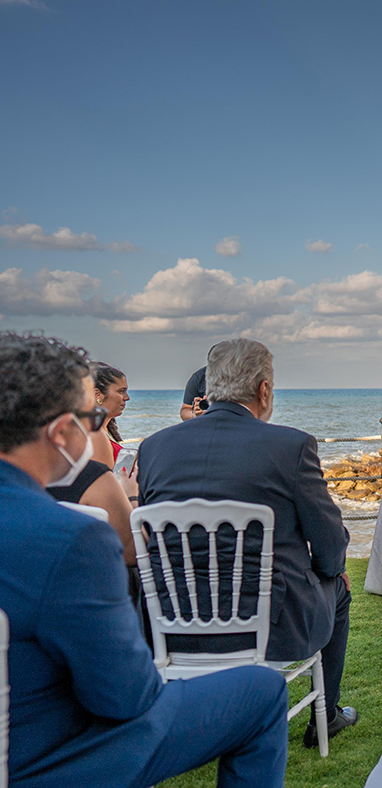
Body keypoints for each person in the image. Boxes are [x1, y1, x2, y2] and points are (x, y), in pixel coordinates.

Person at [0, 332, 288, 788]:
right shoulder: (70, 539)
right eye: (90, 418)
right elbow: (125, 698)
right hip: (40, 761)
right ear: (60, 434)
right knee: (262, 691)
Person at [138, 338, 358, 748]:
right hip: (269, 630)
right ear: (264, 390)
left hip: (172, 622)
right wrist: (329, 569)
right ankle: (324, 714)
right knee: (339, 586)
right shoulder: (290, 447)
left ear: (210, 389)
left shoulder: (154, 448)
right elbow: (328, 546)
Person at [89, 361, 129, 466]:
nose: (127, 398)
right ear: (98, 394)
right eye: (121, 391)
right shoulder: (93, 435)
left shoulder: (104, 430)